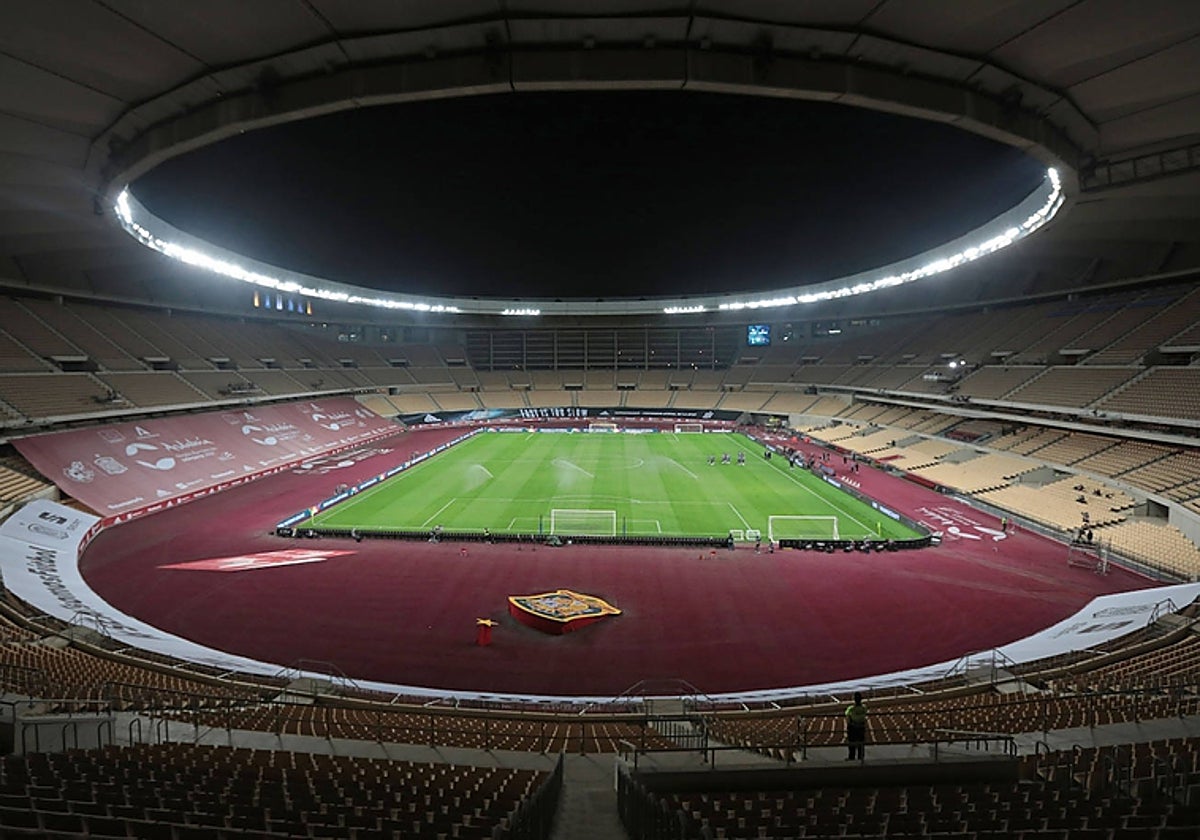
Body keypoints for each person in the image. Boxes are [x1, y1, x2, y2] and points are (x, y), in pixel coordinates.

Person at [845, 692, 868, 760]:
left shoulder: (851, 708)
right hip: (861, 728)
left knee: (852, 744)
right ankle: (860, 757)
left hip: (853, 728)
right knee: (860, 744)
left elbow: (848, 717)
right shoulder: (864, 708)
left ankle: (851, 757)